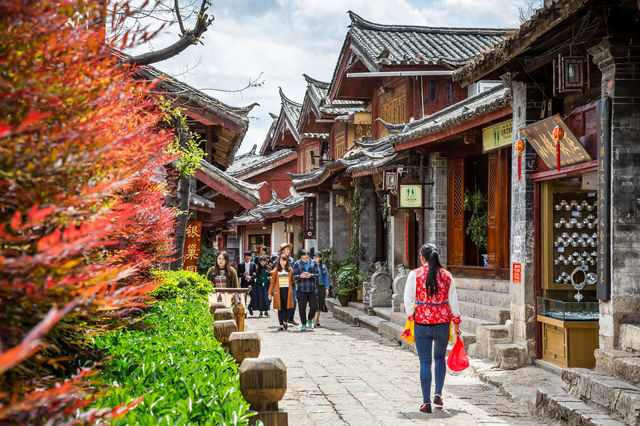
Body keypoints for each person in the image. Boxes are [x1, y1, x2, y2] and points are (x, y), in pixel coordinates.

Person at [404, 243, 461, 414]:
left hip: (422, 323)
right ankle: (438, 394)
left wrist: (411, 314)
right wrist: (456, 323)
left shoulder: (415, 274)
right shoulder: (446, 275)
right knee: (439, 358)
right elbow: (454, 302)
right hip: (443, 323)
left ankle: (426, 402)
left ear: (422, 257)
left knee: (425, 362)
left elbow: (408, 301)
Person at [292, 249, 320, 331]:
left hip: (312, 288)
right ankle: (303, 324)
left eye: (307, 257)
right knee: (301, 308)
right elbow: (294, 276)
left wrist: (310, 275)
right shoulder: (297, 263)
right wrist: (300, 276)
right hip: (301, 289)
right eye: (304, 258)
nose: (305, 259)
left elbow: (318, 274)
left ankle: (310, 319)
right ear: (301, 257)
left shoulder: (314, 263)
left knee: (314, 306)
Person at [268, 254, 296, 331]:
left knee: (288, 308)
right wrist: (270, 293)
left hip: (288, 291)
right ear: (279, 261)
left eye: (284, 260)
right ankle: (281, 325)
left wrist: (299, 276)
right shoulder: (276, 271)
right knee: (280, 308)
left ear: (287, 261)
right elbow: (272, 283)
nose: (282, 262)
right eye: (281, 260)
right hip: (279, 292)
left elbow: (294, 280)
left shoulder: (290, 270)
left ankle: (285, 321)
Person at [278, 242, 298, 326]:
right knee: (282, 304)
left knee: (294, 301)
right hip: (282, 285)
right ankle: (283, 320)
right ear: (282, 251)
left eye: (289, 249)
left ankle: (290, 318)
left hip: (291, 284)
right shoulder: (279, 260)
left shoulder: (292, 260)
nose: (288, 250)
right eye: (286, 249)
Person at [237, 250, 258, 315]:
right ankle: (244, 311)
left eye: (249, 256)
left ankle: (250, 307)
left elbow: (256, 275)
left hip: (251, 282)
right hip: (244, 282)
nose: (247, 257)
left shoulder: (253, 265)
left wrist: (251, 277)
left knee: (254, 296)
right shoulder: (241, 265)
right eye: (246, 256)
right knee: (244, 297)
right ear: (244, 257)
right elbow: (238, 274)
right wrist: (243, 275)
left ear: (251, 257)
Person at [313, 252, 330, 327]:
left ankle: (317, 319)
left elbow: (326, 278)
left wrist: (327, 288)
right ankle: (313, 320)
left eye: (317, 257)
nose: (315, 258)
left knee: (320, 303)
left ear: (320, 258)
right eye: (314, 257)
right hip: (313, 286)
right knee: (313, 303)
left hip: (321, 286)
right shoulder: (311, 266)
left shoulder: (323, 267)